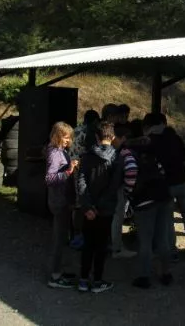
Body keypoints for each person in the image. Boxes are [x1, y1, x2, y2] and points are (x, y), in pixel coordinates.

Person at [129, 114, 174, 289]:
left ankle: (144, 276)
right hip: (163, 195)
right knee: (162, 238)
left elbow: (129, 178)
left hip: (144, 199)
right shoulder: (162, 146)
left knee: (145, 241)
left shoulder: (132, 152)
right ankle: (166, 273)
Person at [147, 113, 185, 259]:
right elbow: (184, 156)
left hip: (168, 182)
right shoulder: (175, 138)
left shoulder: (154, 140)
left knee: (169, 218)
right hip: (182, 179)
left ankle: (173, 249)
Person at [76, 122, 118, 293]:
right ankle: (98, 281)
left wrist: (88, 206)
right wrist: (99, 206)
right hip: (106, 209)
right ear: (113, 137)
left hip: (89, 210)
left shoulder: (87, 156)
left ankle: (83, 280)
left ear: (96, 137)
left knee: (88, 244)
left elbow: (81, 182)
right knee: (101, 246)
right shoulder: (116, 158)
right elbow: (114, 186)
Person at [45, 122, 79, 289]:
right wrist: (68, 171)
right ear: (57, 136)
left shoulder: (59, 151)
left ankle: (59, 270)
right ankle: (55, 276)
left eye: (69, 138)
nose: (68, 141)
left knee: (63, 237)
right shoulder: (54, 154)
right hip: (59, 201)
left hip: (64, 200)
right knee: (59, 239)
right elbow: (49, 179)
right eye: (65, 137)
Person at [68, 109, 100, 250]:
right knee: (83, 203)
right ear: (95, 121)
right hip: (82, 170)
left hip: (72, 168)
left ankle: (74, 235)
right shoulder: (89, 132)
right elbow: (93, 151)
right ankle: (81, 236)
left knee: (76, 204)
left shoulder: (75, 130)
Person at [110, 124, 138, 259]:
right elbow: (132, 170)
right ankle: (117, 248)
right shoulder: (125, 152)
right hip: (120, 189)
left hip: (112, 189)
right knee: (118, 218)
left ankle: (113, 245)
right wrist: (128, 190)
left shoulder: (113, 151)